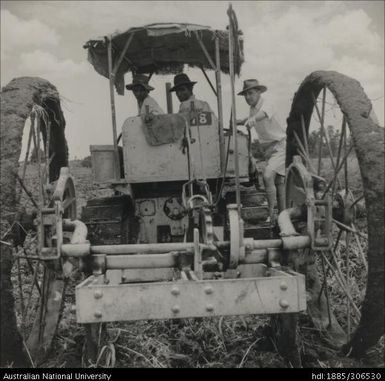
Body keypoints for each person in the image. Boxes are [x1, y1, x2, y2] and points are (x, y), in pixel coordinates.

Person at [236, 79, 286, 223]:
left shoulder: (268, 103)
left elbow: (262, 115)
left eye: (250, 93)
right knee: (278, 182)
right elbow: (253, 116)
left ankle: (271, 214)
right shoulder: (252, 109)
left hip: (280, 146)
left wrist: (252, 120)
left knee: (267, 176)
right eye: (245, 95)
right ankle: (283, 216)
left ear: (259, 92)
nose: (247, 97)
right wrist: (241, 121)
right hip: (268, 150)